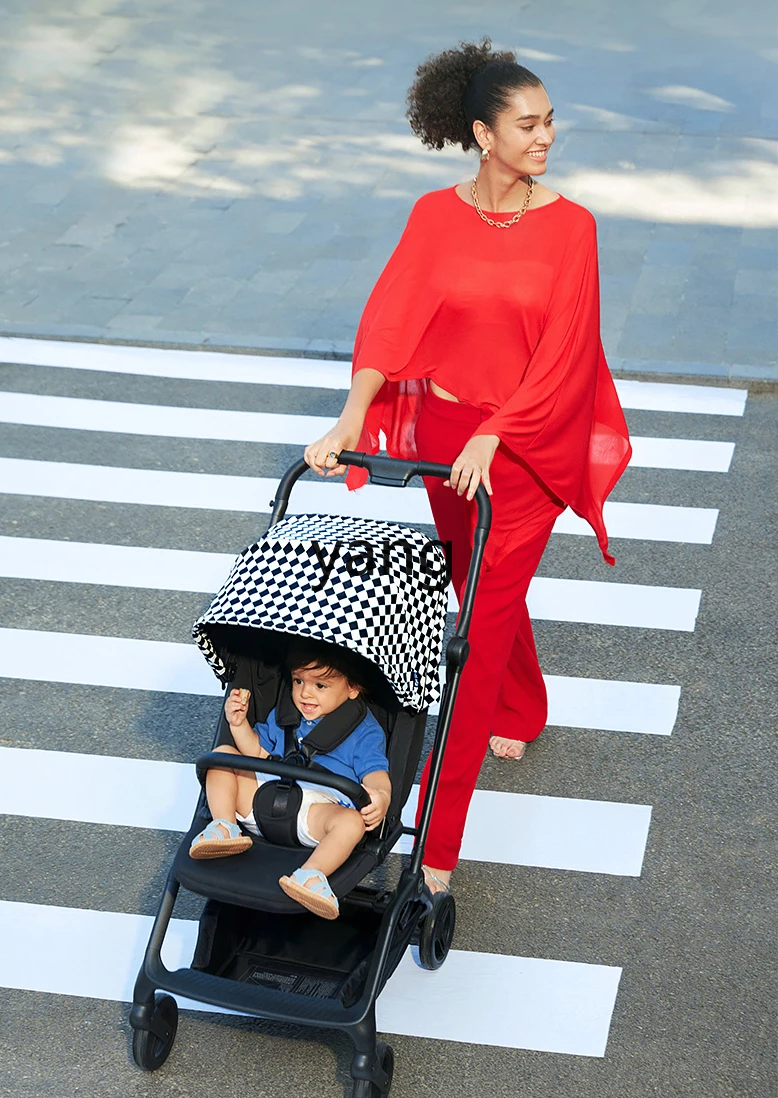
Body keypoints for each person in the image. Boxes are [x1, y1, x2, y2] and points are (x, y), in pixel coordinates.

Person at [303, 38, 632, 896]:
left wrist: (500, 433)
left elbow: (566, 357)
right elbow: (390, 323)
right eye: (529, 123)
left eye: (551, 121)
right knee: (479, 586)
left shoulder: (571, 229)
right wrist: (349, 418)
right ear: (483, 133)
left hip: (519, 449)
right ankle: (528, 708)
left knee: (474, 637)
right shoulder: (434, 215)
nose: (547, 137)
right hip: (445, 439)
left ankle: (438, 853)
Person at [189, 641, 392, 920]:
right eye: (298, 681)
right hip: (264, 793)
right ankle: (225, 826)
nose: (305, 693)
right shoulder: (285, 714)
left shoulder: (365, 732)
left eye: (320, 686)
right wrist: (239, 725)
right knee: (222, 756)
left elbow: (376, 774)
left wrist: (381, 795)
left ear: (353, 688)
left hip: (317, 810)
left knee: (352, 822)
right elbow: (258, 752)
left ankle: (310, 875)